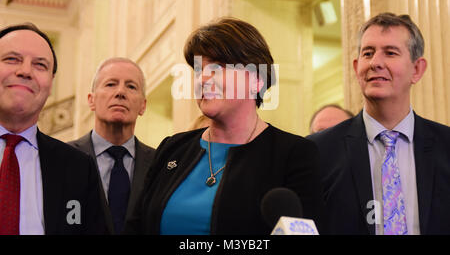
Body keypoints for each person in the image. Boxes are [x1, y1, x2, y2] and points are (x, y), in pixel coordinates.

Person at [125, 17, 324, 235]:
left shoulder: (295, 155)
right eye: (199, 70)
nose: (203, 79)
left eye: (218, 68)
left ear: (257, 80)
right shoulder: (172, 148)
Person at [307, 13, 450, 235]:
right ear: (356, 67)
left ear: (417, 69)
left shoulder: (446, 145)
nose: (375, 63)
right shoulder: (317, 151)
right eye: (368, 53)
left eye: (390, 53)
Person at [0, 23, 105, 234]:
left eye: (40, 65)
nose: (25, 71)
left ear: (51, 82)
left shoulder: (79, 168)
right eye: (12, 59)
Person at [68, 58, 155, 234]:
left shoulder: (159, 163)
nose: (120, 92)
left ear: (143, 105)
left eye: (131, 86)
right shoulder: (64, 158)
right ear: (91, 100)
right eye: (110, 84)